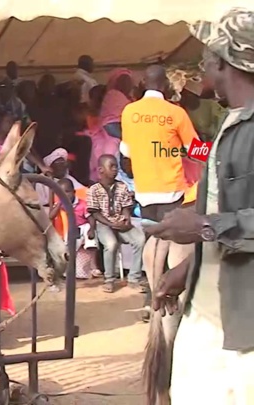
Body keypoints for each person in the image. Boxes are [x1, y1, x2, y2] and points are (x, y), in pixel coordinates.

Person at [146, 9, 254, 403]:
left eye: (204, 60)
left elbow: (217, 220)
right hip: (206, 314)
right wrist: (188, 268)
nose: (200, 70)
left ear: (223, 62)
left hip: (243, 330)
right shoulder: (226, 123)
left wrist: (203, 226)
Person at [120, 64, 198, 223]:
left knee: (151, 240)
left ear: (144, 82)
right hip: (171, 192)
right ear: (165, 84)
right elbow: (196, 150)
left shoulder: (129, 111)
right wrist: (217, 151)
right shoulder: (176, 112)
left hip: (143, 191)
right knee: (170, 242)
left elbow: (126, 151)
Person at [87, 154, 145, 293]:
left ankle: (134, 278)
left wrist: (126, 219)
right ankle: (109, 280)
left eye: (116, 166)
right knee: (111, 244)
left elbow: (126, 207)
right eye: (111, 166)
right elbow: (94, 213)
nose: (115, 169)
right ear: (101, 170)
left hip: (120, 223)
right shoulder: (94, 189)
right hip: (103, 225)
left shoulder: (122, 186)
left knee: (140, 239)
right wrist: (110, 223)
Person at [50, 178, 100, 279]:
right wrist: (59, 204)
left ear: (74, 192)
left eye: (67, 192)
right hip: (71, 230)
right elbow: (50, 216)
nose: (65, 195)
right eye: (61, 193)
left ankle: (91, 246)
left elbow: (90, 219)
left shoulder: (82, 204)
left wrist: (92, 229)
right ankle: (67, 270)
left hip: (84, 226)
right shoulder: (60, 204)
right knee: (69, 248)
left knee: (88, 229)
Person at [100, 68, 134, 139]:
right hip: (113, 124)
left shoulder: (119, 95)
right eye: (124, 82)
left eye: (128, 82)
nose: (127, 85)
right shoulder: (113, 94)